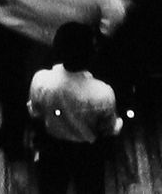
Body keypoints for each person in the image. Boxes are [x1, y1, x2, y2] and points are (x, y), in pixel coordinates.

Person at [27, 22, 122, 194]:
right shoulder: (103, 93)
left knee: (51, 189)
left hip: (52, 148)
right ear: (91, 54)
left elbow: (36, 113)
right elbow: (108, 129)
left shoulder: (41, 80)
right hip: (86, 153)